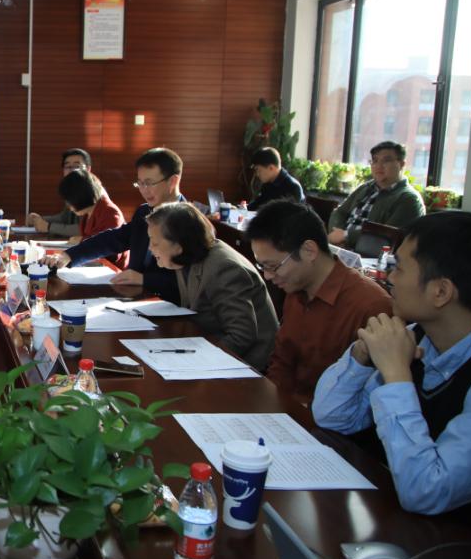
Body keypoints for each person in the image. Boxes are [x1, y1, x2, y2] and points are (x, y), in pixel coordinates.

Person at [313, 211, 471, 517]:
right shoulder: (415, 335)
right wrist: (361, 355)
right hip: (391, 514)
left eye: (399, 268)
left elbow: (426, 492)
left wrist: (396, 375)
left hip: (459, 541)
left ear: (441, 292)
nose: (389, 278)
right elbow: (332, 417)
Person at [248, 201, 391, 401]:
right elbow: (282, 363)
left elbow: (373, 397)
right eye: (262, 266)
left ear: (309, 251)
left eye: (273, 266)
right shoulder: (296, 287)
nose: (268, 276)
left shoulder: (370, 306)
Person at [144, 202, 278, 371]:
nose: (150, 248)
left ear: (178, 246)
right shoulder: (185, 259)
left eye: (155, 243)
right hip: (209, 346)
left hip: (251, 366)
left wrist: (198, 361)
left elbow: (242, 336)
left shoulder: (224, 268)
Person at [45, 147, 185, 304]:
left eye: (149, 183)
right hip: (133, 299)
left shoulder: (189, 222)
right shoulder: (143, 212)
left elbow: (190, 282)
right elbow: (114, 238)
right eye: (140, 183)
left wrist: (144, 279)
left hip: (168, 306)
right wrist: (69, 255)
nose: (143, 190)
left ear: (173, 181)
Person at [328, 141, 424, 252]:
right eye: (375, 160)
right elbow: (339, 212)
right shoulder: (365, 187)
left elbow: (387, 235)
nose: (378, 166)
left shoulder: (409, 199)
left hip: (369, 257)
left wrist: (346, 236)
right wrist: (336, 234)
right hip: (341, 248)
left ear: (401, 164)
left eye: (386, 160)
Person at [57, 169, 128, 269]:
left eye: (70, 201)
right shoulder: (89, 211)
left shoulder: (111, 213)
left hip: (112, 270)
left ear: (80, 196)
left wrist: (82, 240)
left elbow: (111, 252)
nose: (68, 206)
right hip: (93, 264)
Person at [26, 148, 92, 236]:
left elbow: (84, 229)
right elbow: (64, 218)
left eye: (76, 166)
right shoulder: (73, 189)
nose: (71, 170)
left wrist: (48, 227)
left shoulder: (92, 192)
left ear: (88, 169)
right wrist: (39, 219)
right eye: (68, 166)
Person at [247, 147, 305, 211]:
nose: (257, 174)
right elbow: (258, 204)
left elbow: (290, 215)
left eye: (258, 170)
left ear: (271, 168)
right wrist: (244, 208)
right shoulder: (268, 184)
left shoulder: (293, 187)